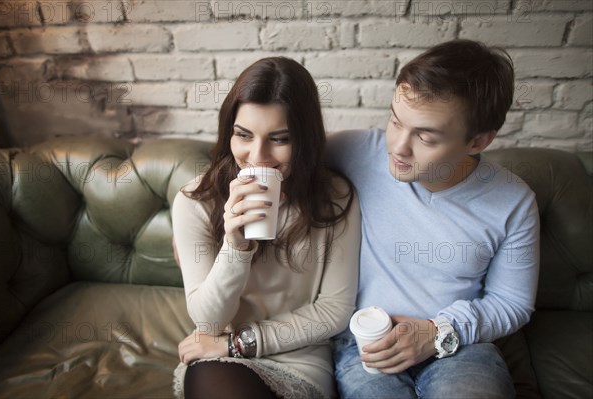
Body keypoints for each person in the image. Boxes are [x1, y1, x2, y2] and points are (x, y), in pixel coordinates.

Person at [327, 39, 540, 398]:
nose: (398, 147)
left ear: (478, 141)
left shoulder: (513, 202)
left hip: (460, 347)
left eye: (424, 136)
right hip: (364, 341)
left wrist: (438, 331)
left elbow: (513, 302)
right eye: (396, 121)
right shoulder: (356, 151)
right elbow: (279, 153)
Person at [171, 57, 360, 399]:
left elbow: (334, 310)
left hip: (299, 360)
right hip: (220, 360)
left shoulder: (335, 198)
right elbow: (208, 323)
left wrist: (239, 343)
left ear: (306, 139)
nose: (258, 156)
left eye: (279, 139)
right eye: (243, 135)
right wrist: (235, 246)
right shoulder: (195, 203)